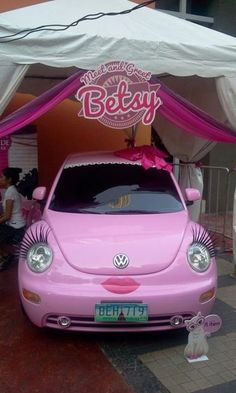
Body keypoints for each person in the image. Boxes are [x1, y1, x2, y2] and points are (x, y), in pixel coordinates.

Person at [0, 167, 26, 270]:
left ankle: (5, 257)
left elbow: (7, 216)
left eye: (2, 177)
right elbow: (6, 214)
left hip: (17, 229)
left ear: (9, 179)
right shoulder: (11, 190)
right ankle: (6, 256)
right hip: (15, 226)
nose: (0, 179)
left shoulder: (10, 192)